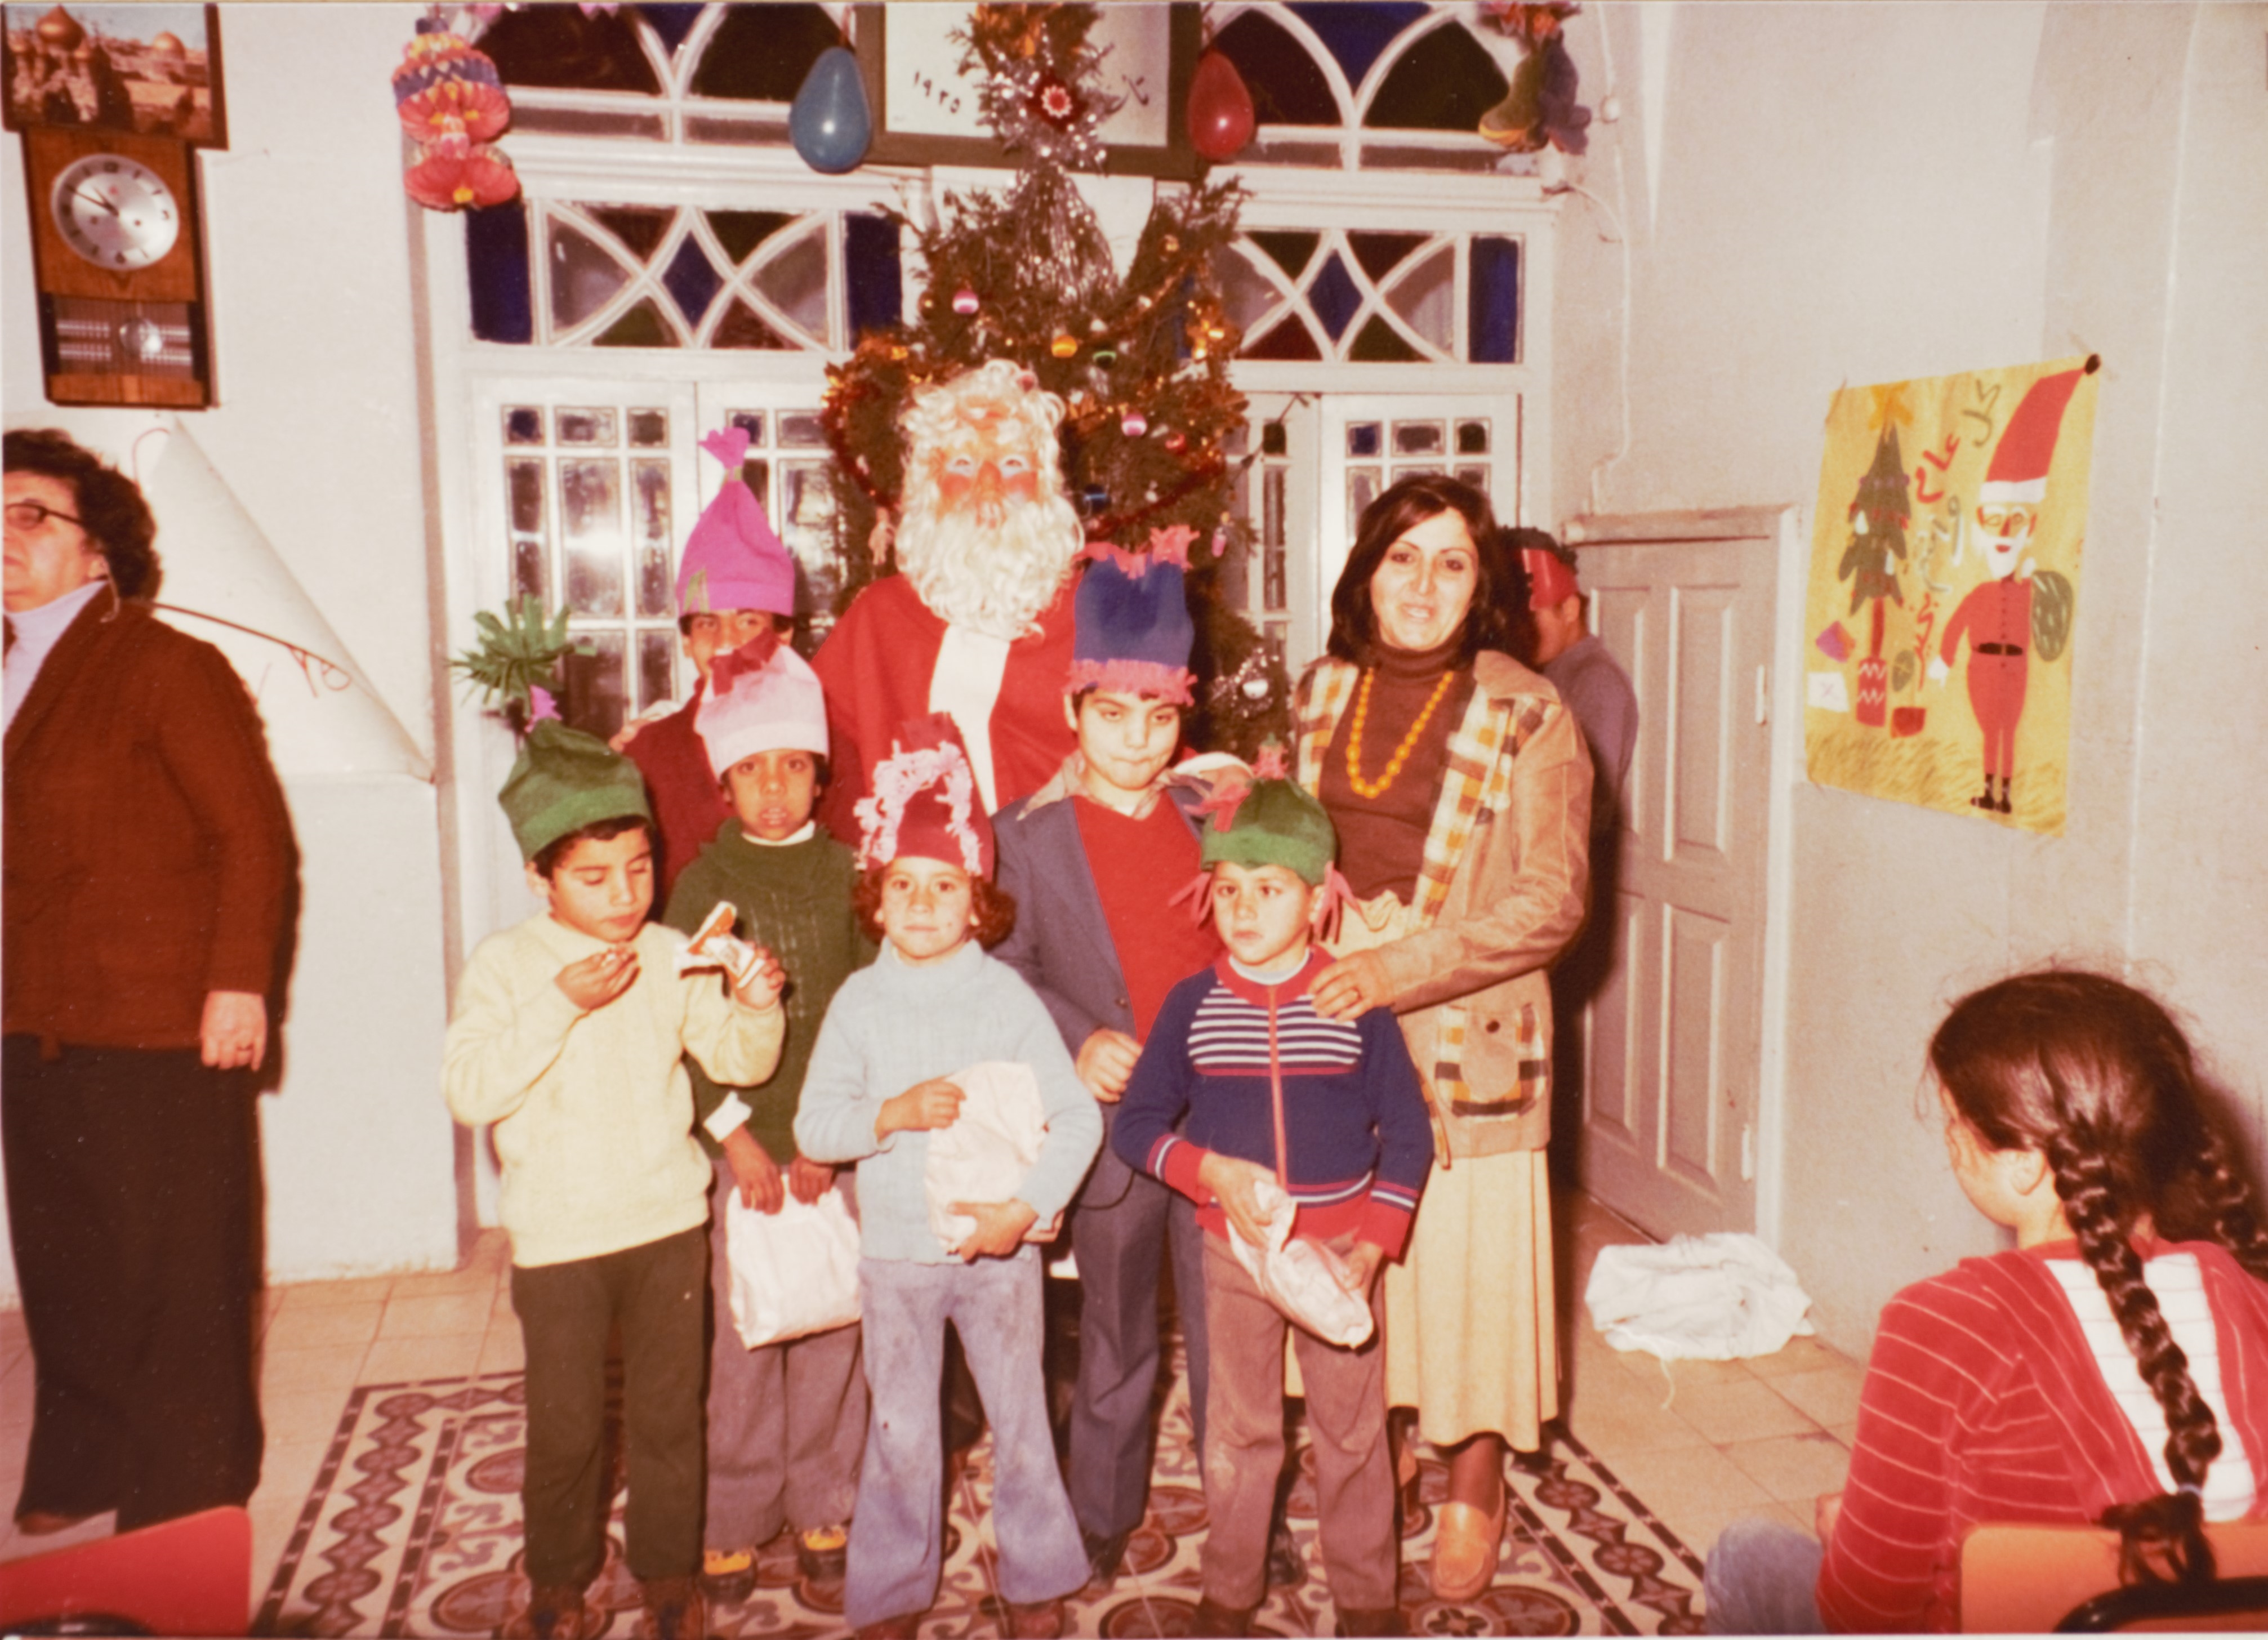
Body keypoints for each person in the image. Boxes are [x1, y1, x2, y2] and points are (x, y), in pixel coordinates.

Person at [1704, 969, 2268, 1634]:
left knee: (1746, 1551)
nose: (1949, 1141)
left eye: (1954, 1121)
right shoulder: (2246, 1291)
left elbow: (1867, 1612)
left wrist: (1842, 1534)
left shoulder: (1942, 1320)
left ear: (2024, 1163)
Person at [1298, 474, 1592, 1601]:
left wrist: (1399, 961)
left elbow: (1552, 902)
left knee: (1469, 1265)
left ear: (1484, 590)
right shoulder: (1318, 689)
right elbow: (1309, 834)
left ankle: (1474, 1476)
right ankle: (1388, 1443)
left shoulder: (1531, 708)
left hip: (1469, 1019)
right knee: (1366, 1255)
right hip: (1338, 1010)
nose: (1421, 585)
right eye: (1401, 556)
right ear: (1366, 569)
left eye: (1451, 562)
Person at [2, 427, 294, 1536]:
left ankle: (187, 1483)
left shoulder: (167, 666)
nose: (5, 536)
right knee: (64, 1258)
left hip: (162, 1018)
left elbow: (251, 838)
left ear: (99, 552)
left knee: (177, 1270)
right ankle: (83, 1460)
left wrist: (238, 984)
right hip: (34, 1016)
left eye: (33, 515)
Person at [443, 721, 788, 1640]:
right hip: (560, 1237)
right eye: (594, 878)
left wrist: (755, 1005)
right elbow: (471, 1089)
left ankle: (667, 1568)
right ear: (539, 877)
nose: (625, 894)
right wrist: (561, 1001)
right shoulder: (507, 966)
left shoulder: (674, 952)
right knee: (566, 1426)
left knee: (672, 1414)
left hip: (666, 1220)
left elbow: (736, 1062)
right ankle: (559, 1576)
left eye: (638, 867)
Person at [1112, 753, 1433, 1638]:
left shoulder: (1351, 1003)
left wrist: (1374, 1244)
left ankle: (1368, 1599)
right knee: (1239, 1430)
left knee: (1353, 1432)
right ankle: (1229, 1589)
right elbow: (1134, 1125)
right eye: (1227, 889)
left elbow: (1408, 1135)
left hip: (1339, 1257)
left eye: (1270, 888)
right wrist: (1208, 1172)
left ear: (1317, 895)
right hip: (1233, 1253)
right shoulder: (1190, 1006)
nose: (1244, 909)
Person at [794, 716, 1102, 1640]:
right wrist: (886, 1116)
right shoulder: (859, 1001)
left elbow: (1076, 1115)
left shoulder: (1004, 997)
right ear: (876, 901)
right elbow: (816, 1124)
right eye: (903, 886)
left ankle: (1039, 1570)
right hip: (896, 1258)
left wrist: (1026, 1207)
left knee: (1020, 1418)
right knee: (902, 1431)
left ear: (978, 903)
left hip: (1000, 1255)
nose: (922, 903)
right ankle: (891, 1585)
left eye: (944, 886)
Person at [992, 534, 1229, 1591]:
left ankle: (1243, 1505)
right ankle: (1098, 1511)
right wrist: (1076, 1034)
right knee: (1119, 1335)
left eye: (1160, 717)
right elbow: (1002, 963)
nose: (1137, 742)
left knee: (1231, 1333)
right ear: (1075, 710)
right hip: (1116, 1134)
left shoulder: (1209, 819)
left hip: (1220, 1121)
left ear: (1185, 715)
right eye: (1113, 716)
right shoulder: (1026, 837)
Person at [661, 630, 874, 1602]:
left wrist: (830, 1139)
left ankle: (826, 1498)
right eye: (754, 770)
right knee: (744, 1336)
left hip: (835, 1142)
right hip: (740, 1145)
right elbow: (688, 1026)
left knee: (834, 1322)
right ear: (725, 782)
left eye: (795, 766)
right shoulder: (705, 886)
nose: (777, 787)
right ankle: (736, 1514)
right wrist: (735, 1135)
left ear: (820, 777)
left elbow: (867, 1012)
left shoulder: (848, 878)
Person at [811, 359, 1084, 832]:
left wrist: (1213, 768)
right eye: (962, 464)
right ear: (928, 485)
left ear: (1046, 483)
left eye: (1013, 463)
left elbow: (1144, 728)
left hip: (1054, 877)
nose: (987, 488)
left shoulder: (1085, 611)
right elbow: (800, 738)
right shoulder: (882, 615)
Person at [1502, 527, 1637, 1188]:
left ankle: (1545, 1194)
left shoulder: (1595, 684)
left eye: (1532, 618)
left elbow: (1585, 811)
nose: (1519, 634)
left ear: (1569, 609)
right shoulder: (1542, 676)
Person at [621, 425, 798, 899]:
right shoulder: (648, 752)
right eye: (705, 624)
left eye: (748, 622)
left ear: (785, 635)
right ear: (684, 641)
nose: (726, 642)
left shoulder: (824, 747)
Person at [1927, 366, 2085, 815]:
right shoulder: (1979, 592)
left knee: (2008, 733)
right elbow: (1956, 624)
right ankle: (1989, 788)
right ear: (1980, 525)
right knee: (1986, 731)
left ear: (2032, 526)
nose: (2004, 531)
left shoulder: (2033, 589)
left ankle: (2004, 794)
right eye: (1995, 520)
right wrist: (1942, 658)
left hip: (2015, 669)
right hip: (1980, 667)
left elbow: (2053, 627)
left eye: (2016, 520)